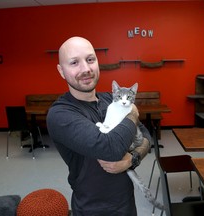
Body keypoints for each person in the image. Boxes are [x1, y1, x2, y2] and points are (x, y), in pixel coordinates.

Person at [47, 36, 151, 216]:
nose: (86, 69)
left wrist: (132, 159)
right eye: (74, 63)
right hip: (93, 208)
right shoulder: (61, 114)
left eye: (90, 60)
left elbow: (147, 136)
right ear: (61, 71)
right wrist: (133, 113)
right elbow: (110, 149)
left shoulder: (111, 99)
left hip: (126, 203)